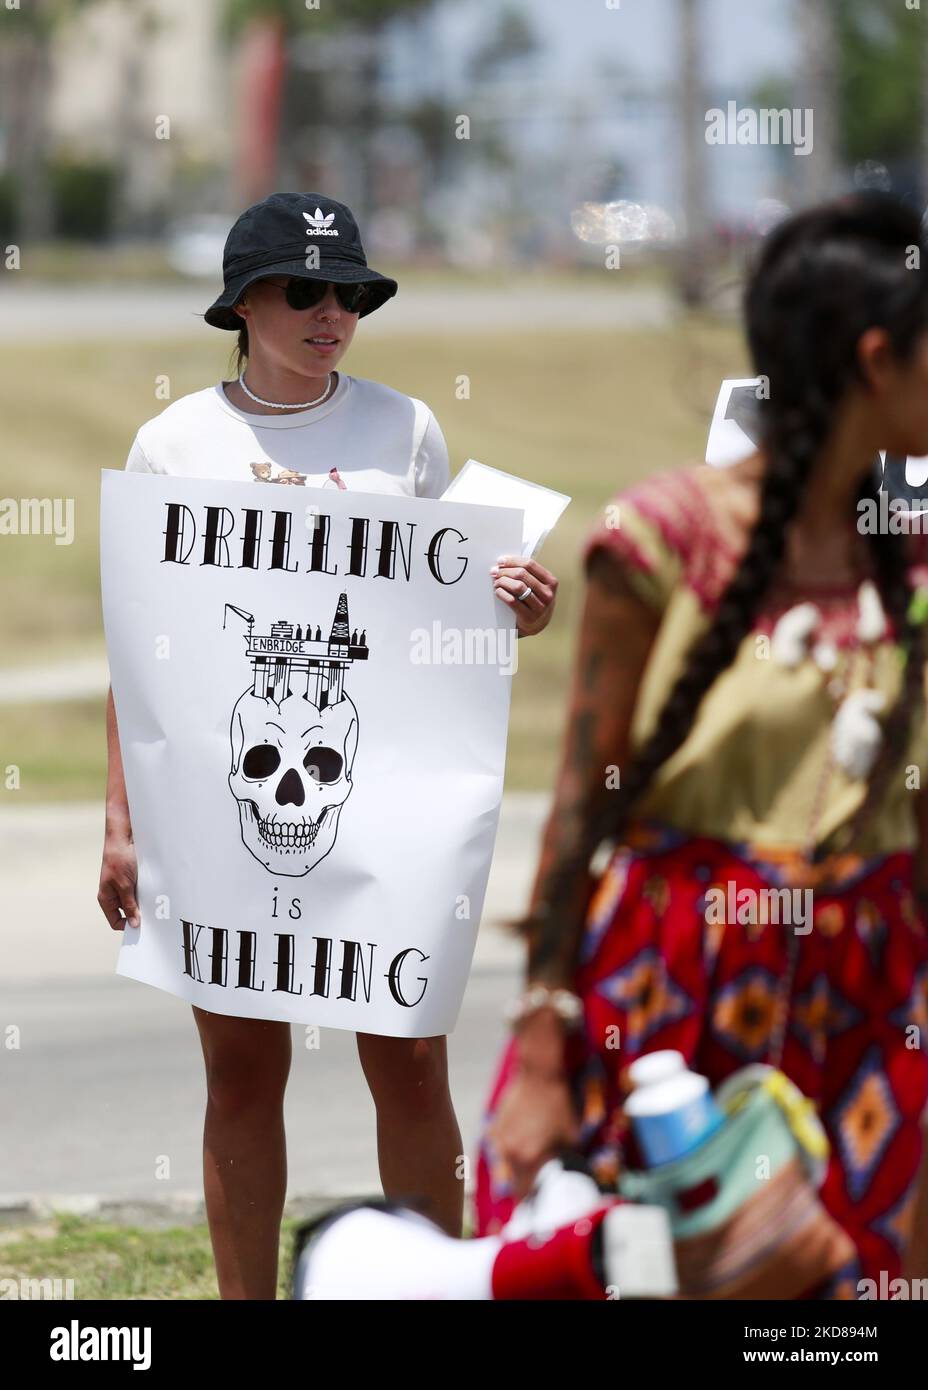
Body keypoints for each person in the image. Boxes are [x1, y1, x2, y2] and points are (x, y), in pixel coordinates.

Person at [97, 191, 558, 1299]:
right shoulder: (174, 443)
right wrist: (121, 825)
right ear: (243, 304)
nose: (329, 312)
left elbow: (447, 613)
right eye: (303, 291)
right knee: (243, 1069)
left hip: (388, 804)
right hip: (224, 805)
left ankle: (433, 1288)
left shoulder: (406, 429)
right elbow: (138, 650)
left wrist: (518, 605)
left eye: (348, 292)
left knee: (408, 1058)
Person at [475, 193, 928, 1296]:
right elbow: (584, 801)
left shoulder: (911, 556)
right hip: (673, 1001)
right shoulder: (657, 539)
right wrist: (543, 1050)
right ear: (877, 361)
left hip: (872, 1008)